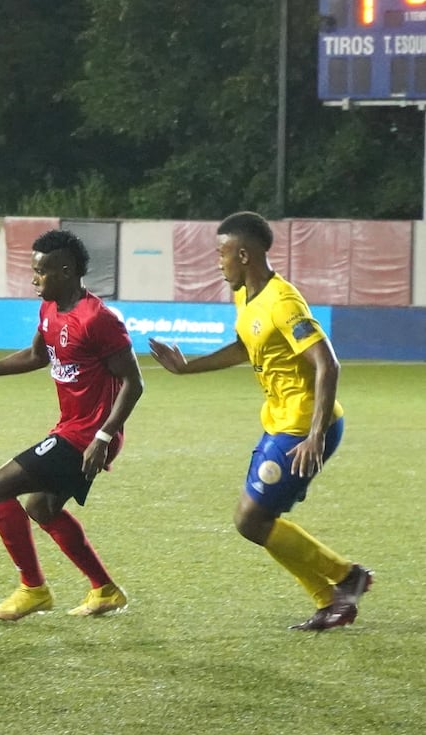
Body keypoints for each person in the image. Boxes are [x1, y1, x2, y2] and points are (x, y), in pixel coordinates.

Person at [149, 211, 372, 631]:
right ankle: (336, 592)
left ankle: (344, 581)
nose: (218, 263)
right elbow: (244, 346)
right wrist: (186, 368)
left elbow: (328, 363)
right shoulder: (246, 296)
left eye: (222, 254)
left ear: (245, 254)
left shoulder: (283, 302)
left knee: (250, 520)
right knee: (255, 521)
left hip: (303, 426)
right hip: (280, 422)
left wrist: (314, 435)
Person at [0, 229, 144, 620]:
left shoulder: (98, 319)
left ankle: (32, 589)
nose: (34, 279)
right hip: (71, 428)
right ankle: (105, 590)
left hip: (90, 433)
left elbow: (135, 382)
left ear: (66, 270)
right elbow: (37, 355)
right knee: (42, 506)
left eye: (42, 272)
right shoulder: (50, 309)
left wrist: (103, 436)